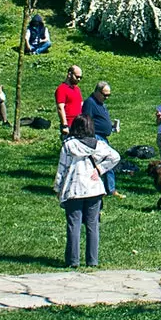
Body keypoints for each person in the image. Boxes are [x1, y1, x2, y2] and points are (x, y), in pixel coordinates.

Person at [53, 115, 120, 269]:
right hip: (94, 188)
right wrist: (100, 169)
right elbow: (115, 157)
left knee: (73, 225)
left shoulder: (69, 145)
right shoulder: (98, 144)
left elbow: (62, 168)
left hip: (74, 188)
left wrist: (57, 187)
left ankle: (73, 260)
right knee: (92, 225)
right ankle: (92, 260)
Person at [80, 82, 122, 198]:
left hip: (103, 137)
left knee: (108, 162)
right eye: (105, 95)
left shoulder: (100, 103)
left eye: (109, 95)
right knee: (103, 162)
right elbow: (86, 121)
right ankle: (103, 189)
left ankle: (110, 189)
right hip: (96, 137)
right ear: (97, 92)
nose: (107, 97)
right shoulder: (90, 103)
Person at [55, 64, 84, 132]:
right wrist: (65, 125)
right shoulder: (61, 89)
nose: (79, 79)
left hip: (79, 124)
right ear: (69, 74)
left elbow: (81, 105)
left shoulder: (77, 89)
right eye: (77, 77)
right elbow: (60, 108)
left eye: (80, 77)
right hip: (70, 125)